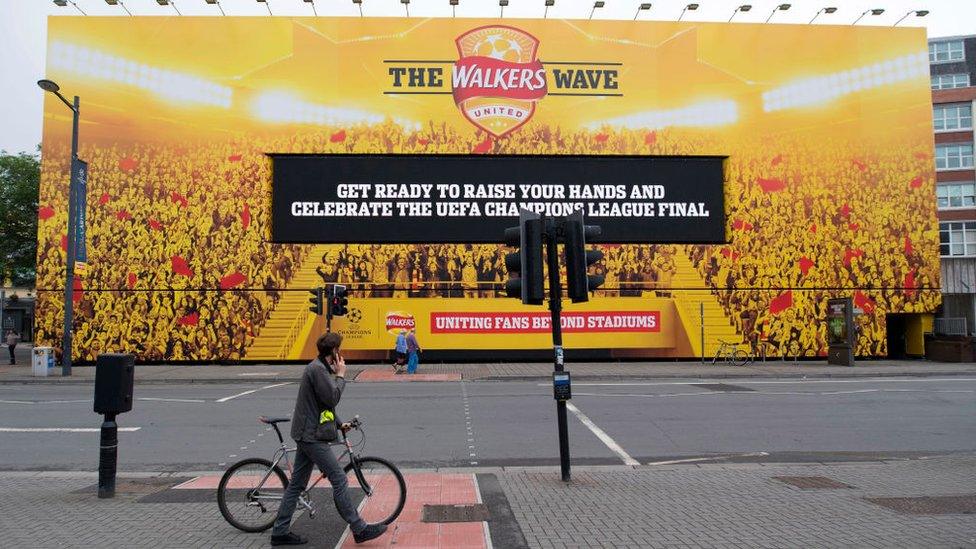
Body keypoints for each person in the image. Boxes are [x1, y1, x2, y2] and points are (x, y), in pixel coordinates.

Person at [270, 332, 387, 546]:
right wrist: (341, 376)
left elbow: (324, 405)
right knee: (339, 479)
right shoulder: (317, 370)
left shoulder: (319, 369)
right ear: (333, 352)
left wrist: (338, 423)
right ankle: (359, 528)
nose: (340, 354)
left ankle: (279, 532)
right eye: (339, 350)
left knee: (296, 485)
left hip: (307, 433)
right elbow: (332, 397)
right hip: (311, 436)